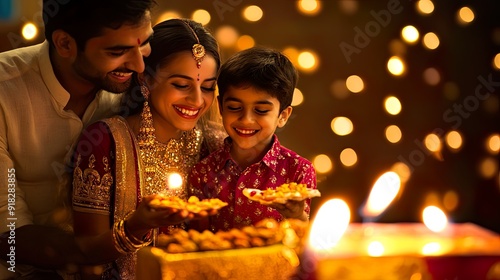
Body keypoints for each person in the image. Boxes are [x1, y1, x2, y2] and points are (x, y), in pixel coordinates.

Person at [0, 0, 156, 278]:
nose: (138, 63)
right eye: (118, 51)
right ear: (65, 44)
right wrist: (125, 236)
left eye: (144, 43)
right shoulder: (5, 90)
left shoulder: (134, 90)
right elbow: (7, 235)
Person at [70, 18, 223, 279]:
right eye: (181, 85)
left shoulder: (215, 144)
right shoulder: (105, 141)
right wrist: (137, 226)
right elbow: (86, 253)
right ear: (146, 79)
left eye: (207, 87)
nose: (197, 100)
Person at [188, 47, 317, 232]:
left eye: (261, 110)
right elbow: (196, 239)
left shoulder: (297, 171)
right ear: (221, 107)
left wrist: (296, 215)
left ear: (283, 115)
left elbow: (300, 241)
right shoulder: (204, 171)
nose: (246, 120)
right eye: (234, 107)